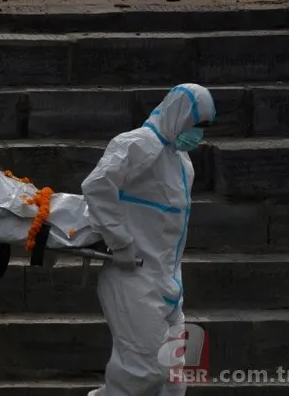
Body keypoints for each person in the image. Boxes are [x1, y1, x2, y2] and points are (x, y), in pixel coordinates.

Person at [81, 84, 215, 396]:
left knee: (175, 378)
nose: (199, 135)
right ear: (180, 115)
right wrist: (121, 242)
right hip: (134, 278)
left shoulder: (182, 161)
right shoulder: (137, 145)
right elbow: (98, 185)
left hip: (168, 280)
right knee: (142, 373)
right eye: (198, 125)